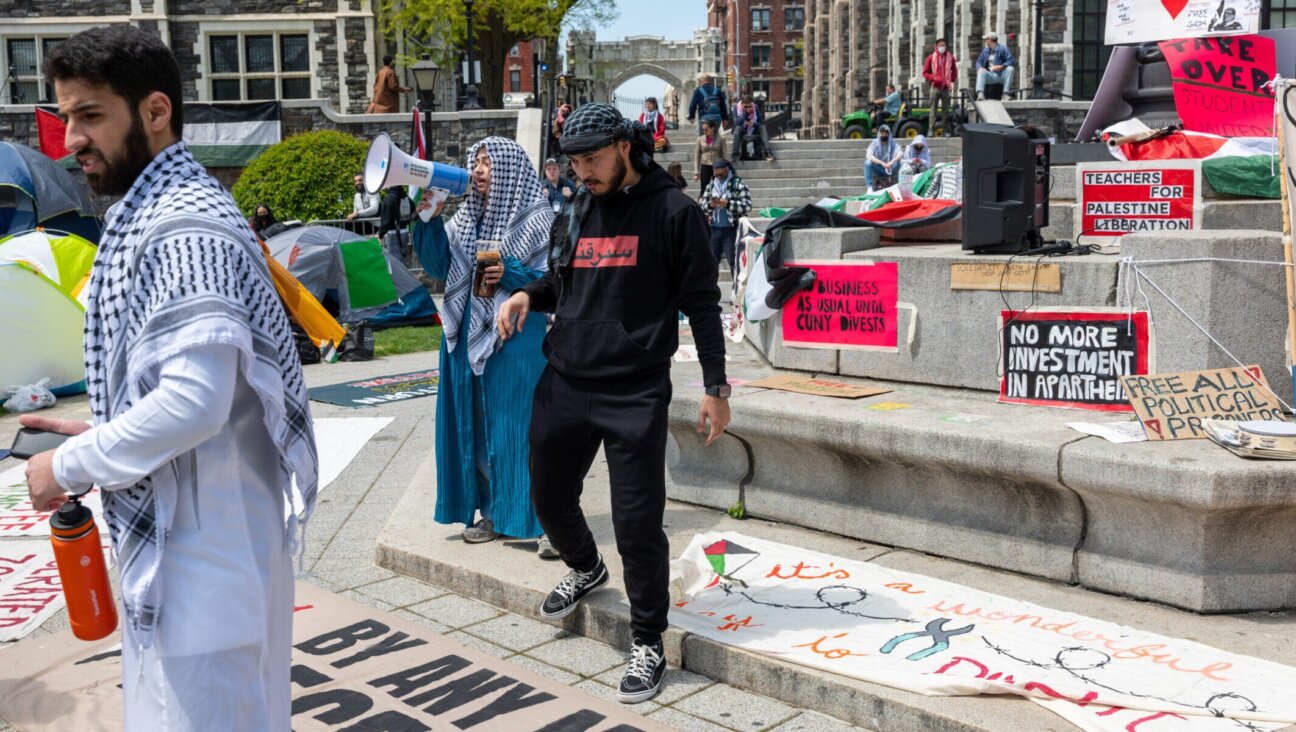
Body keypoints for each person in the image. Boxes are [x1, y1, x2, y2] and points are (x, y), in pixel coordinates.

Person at [25, 25, 318, 728]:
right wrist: (105, 428)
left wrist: (66, 465)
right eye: (66, 116)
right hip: (199, 558)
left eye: (91, 115)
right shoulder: (163, 208)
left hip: (206, 573)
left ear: (155, 112)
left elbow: (194, 403)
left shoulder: (182, 224)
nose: (72, 141)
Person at [496, 103, 730, 705]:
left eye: (592, 159)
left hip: (635, 388)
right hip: (566, 379)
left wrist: (715, 386)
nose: (582, 172)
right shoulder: (574, 206)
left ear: (625, 147)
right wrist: (527, 293)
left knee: (636, 525)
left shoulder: (675, 212)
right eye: (573, 162)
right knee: (547, 497)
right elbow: (564, 282)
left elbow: (703, 303)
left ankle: (648, 639)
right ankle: (585, 566)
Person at [411, 137, 557, 556]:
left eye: (488, 163)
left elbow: (548, 282)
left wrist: (504, 270)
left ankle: (545, 519)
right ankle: (494, 514)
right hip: (463, 337)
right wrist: (427, 219)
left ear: (510, 170)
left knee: (521, 430)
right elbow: (439, 268)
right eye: (475, 161)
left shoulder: (539, 220)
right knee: (477, 429)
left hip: (516, 337)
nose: (478, 170)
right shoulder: (462, 221)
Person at [701, 158, 751, 274]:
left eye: (721, 173)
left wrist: (728, 204)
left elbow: (747, 206)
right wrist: (711, 205)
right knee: (711, 262)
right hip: (714, 229)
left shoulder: (738, 184)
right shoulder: (711, 186)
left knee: (734, 261)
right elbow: (703, 207)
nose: (718, 176)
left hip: (732, 229)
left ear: (727, 170)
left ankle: (737, 289)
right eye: (716, 173)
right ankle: (710, 289)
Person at [922, 38, 958, 136]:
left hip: (946, 88)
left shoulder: (950, 57)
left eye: (944, 45)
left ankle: (946, 131)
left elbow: (954, 70)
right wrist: (933, 78)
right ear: (936, 46)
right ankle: (931, 130)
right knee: (933, 110)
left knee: (945, 111)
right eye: (940, 45)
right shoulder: (931, 57)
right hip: (935, 87)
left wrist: (952, 80)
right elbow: (925, 72)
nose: (942, 47)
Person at [733, 96, 775, 162]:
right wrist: (745, 114)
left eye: (749, 106)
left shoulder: (755, 107)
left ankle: (768, 152)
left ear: (752, 104)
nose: (748, 108)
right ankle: (734, 155)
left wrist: (753, 124)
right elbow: (736, 123)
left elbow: (761, 122)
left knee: (763, 127)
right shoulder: (736, 108)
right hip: (742, 129)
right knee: (737, 128)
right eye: (745, 106)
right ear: (742, 104)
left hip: (753, 129)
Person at [975, 32, 1015, 100]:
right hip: (991, 75)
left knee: (1010, 69)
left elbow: (1011, 61)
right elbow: (978, 62)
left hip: (1001, 75)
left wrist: (1001, 66)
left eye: (986, 39)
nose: (985, 41)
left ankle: (1005, 94)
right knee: (981, 71)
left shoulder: (1003, 49)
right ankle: (980, 95)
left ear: (990, 39)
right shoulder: (985, 51)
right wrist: (980, 68)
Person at [377, 184, 411, 262]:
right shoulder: (406, 198)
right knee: (402, 260)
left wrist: (380, 234)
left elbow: (385, 220)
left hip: (393, 234)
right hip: (405, 232)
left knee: (393, 262)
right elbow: (413, 214)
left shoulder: (388, 199)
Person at [694, 119, 726, 195]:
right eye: (703, 130)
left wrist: (726, 168)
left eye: (706, 130)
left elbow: (725, 155)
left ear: (712, 128)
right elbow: (697, 156)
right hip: (705, 166)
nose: (704, 131)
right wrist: (696, 172)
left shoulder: (721, 139)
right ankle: (702, 204)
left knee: (718, 188)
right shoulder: (700, 139)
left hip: (717, 167)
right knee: (704, 189)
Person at [865, 124, 902, 190]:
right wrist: (882, 163)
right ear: (879, 134)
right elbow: (869, 155)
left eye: (885, 134)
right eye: (882, 133)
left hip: (891, 167)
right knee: (867, 163)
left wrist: (891, 162)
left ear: (889, 134)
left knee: (901, 162)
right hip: (879, 168)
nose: (884, 135)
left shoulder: (893, 143)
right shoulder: (874, 143)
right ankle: (869, 187)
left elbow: (900, 153)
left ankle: (902, 184)